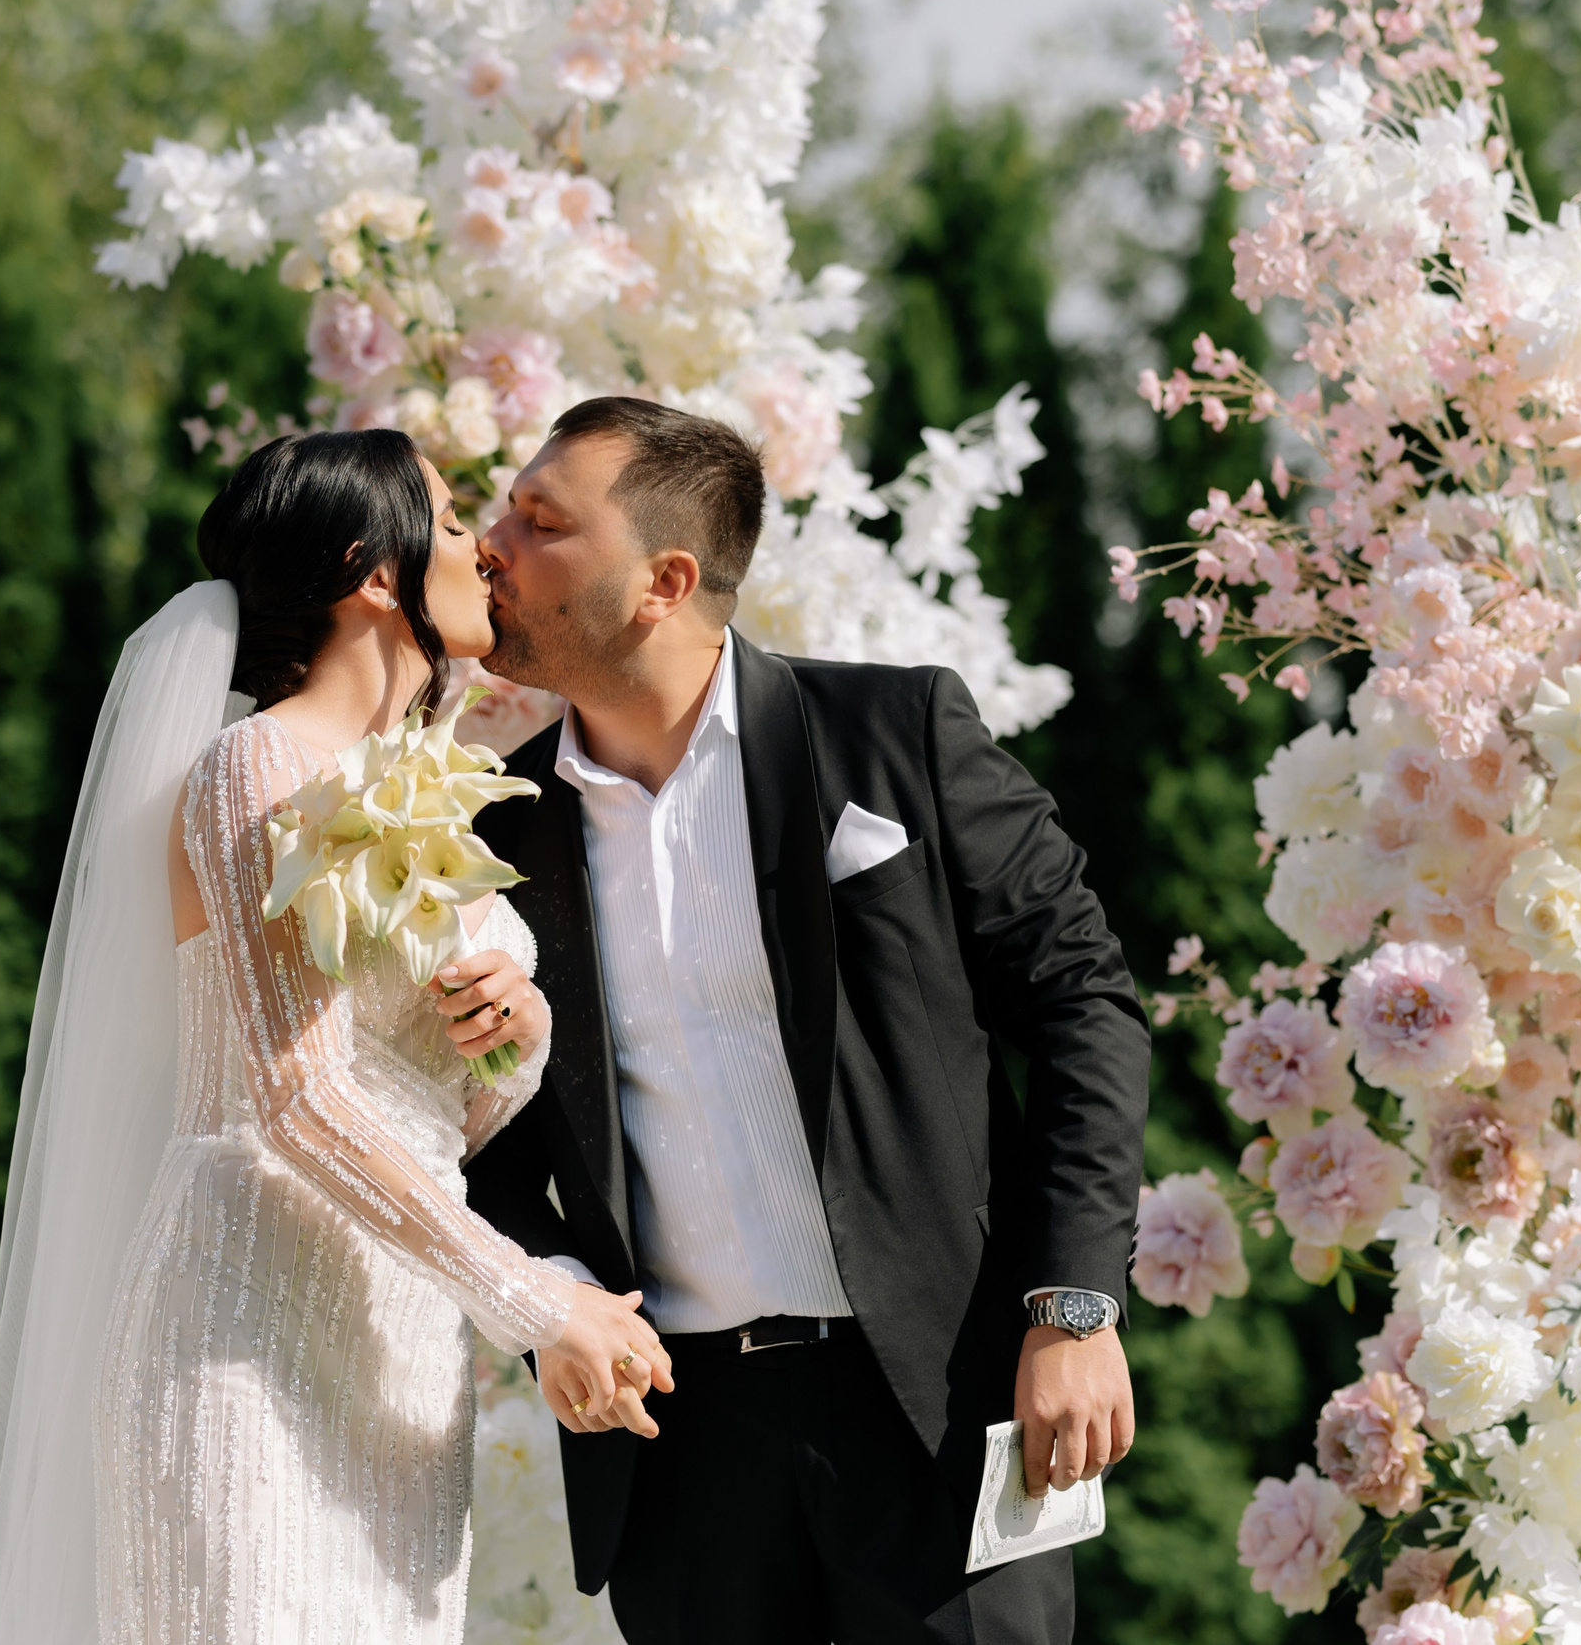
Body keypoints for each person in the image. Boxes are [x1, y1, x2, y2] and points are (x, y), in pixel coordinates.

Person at [0, 428, 670, 1645]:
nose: (484, 553)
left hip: (398, 1359)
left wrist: (520, 1028)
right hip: (242, 1333)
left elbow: (452, 1112)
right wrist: (541, 1306)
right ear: (373, 573)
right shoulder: (251, 765)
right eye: (450, 524)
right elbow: (291, 1097)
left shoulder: (443, 792)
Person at [465, 398, 1151, 1645]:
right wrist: (551, 1294)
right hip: (676, 1454)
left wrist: (1073, 1305)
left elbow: (1082, 1003)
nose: (487, 539)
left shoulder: (896, 736)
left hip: (933, 1409)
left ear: (664, 580)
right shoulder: (493, 842)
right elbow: (477, 1136)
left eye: (539, 519)